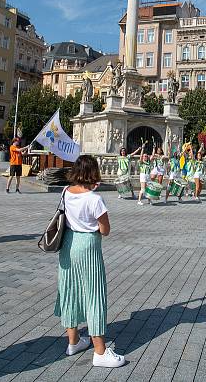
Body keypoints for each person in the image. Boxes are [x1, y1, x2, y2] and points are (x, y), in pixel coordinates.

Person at [55, 155, 125, 368]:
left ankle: (73, 341)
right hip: (88, 247)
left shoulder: (65, 192)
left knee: (70, 290)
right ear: (94, 172)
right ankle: (100, 352)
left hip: (68, 244)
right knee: (94, 294)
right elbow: (105, 230)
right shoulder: (95, 199)